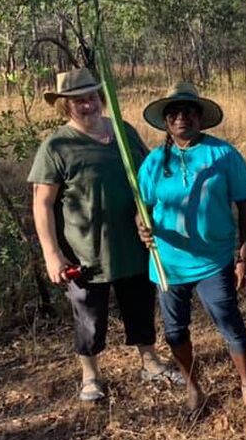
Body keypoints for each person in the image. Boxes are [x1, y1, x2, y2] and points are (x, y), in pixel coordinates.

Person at [29, 68, 178, 402]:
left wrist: (150, 216)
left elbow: (148, 177)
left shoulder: (123, 132)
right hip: (86, 251)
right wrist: (52, 254)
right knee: (89, 316)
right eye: (79, 101)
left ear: (101, 98)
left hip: (134, 242)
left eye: (92, 97)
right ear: (66, 106)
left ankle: (149, 360)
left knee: (139, 304)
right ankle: (91, 375)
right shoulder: (56, 145)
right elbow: (42, 202)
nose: (88, 105)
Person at [136, 82, 246, 415]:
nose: (181, 118)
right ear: (166, 122)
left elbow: (244, 207)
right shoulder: (154, 161)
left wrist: (243, 255)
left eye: (188, 112)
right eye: (173, 113)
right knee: (175, 330)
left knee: (229, 323)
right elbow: (143, 206)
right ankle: (193, 388)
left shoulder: (223, 155)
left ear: (199, 117)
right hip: (167, 262)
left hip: (214, 260)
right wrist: (141, 226)